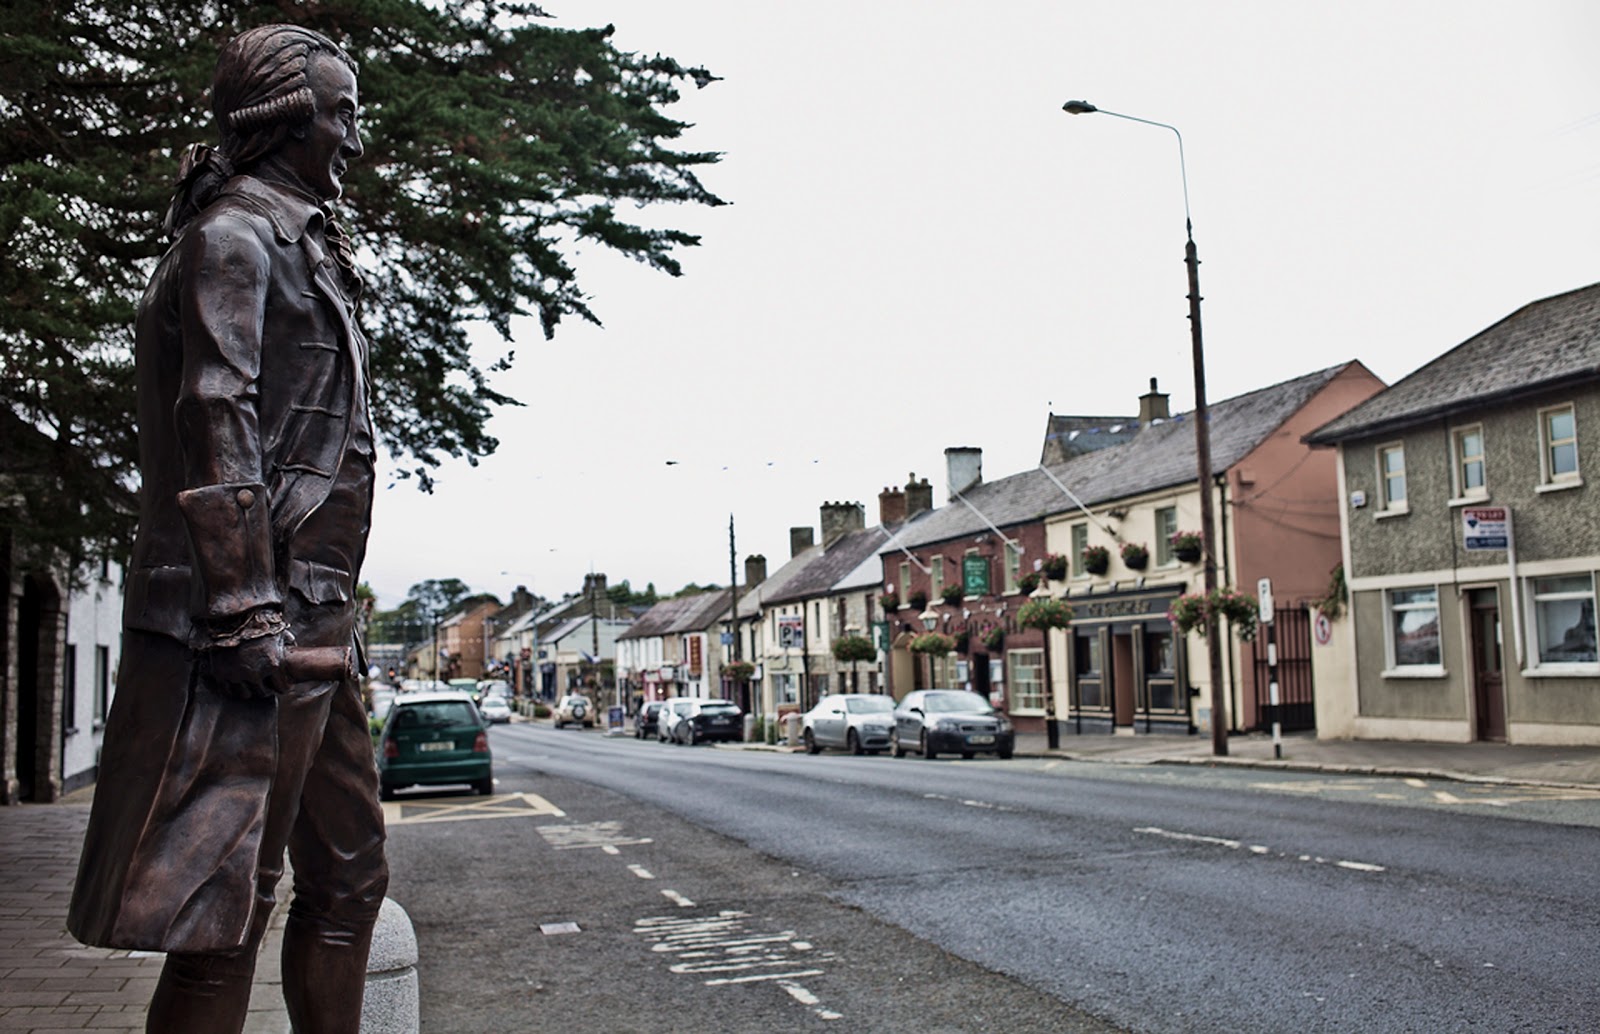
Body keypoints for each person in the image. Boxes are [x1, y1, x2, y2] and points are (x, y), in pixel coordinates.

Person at [68, 24, 386, 1034]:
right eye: (338, 114)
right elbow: (217, 411)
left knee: (350, 878)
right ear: (286, 121)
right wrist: (246, 603)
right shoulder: (233, 239)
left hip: (316, 620)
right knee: (225, 910)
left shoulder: (295, 239)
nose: (351, 136)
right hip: (259, 619)